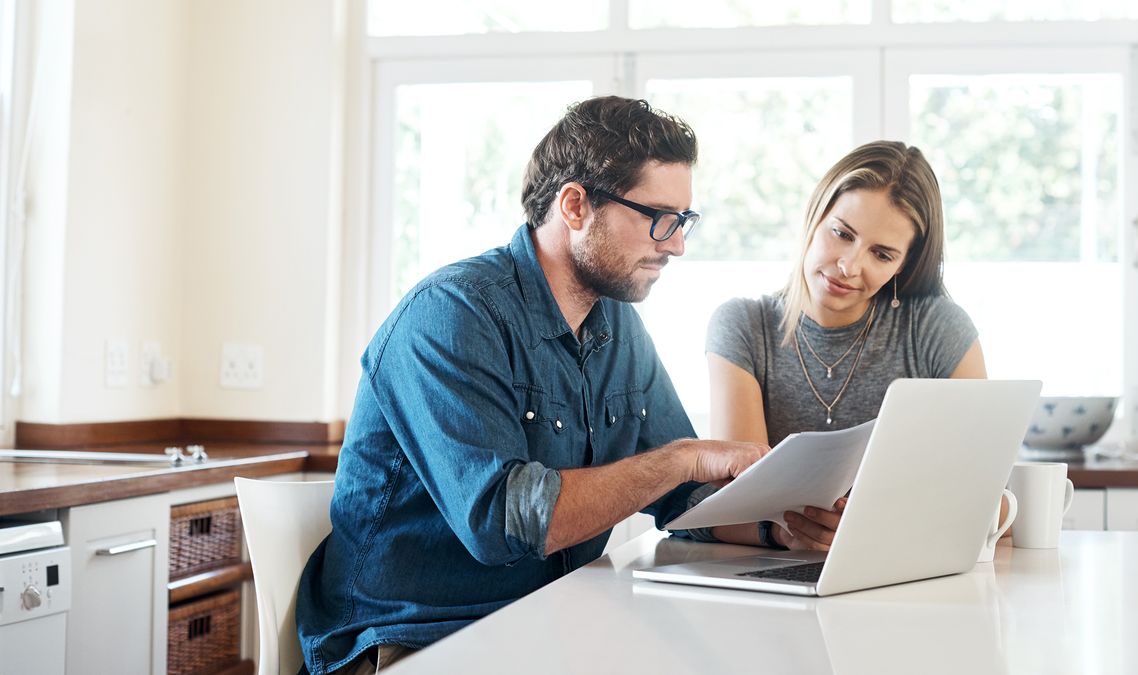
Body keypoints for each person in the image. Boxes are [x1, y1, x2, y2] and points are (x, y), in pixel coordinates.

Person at [295, 96, 769, 674]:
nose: (675, 245)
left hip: (545, 623)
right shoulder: (451, 314)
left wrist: (780, 523)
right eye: (658, 218)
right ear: (575, 205)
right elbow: (503, 523)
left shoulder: (617, 325)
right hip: (412, 639)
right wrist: (683, 460)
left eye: (683, 220)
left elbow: (682, 497)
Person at [692, 140, 989, 551]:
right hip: (777, 577)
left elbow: (987, 490)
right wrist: (789, 532)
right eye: (842, 233)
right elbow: (739, 500)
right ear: (816, 216)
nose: (850, 266)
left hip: (902, 567)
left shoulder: (937, 328)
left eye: (881, 254)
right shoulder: (743, 327)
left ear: (904, 264)